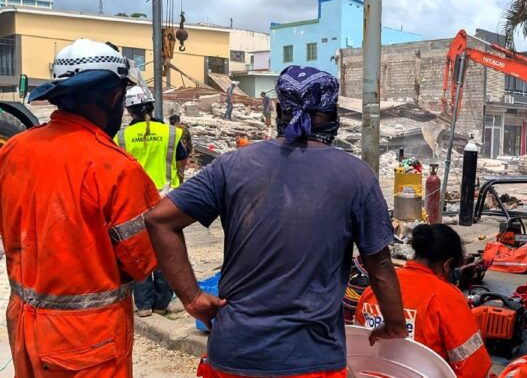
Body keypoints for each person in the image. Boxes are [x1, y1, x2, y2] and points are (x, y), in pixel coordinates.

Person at [145, 65, 406, 377]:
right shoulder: (356, 176)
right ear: (333, 113)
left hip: (234, 353)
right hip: (311, 358)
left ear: (280, 110)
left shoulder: (232, 164)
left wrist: (192, 297)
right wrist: (393, 324)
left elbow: (160, 220)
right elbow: (378, 264)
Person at [0, 39, 159, 376]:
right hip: (87, 343)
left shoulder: (13, 150)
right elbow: (142, 261)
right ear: (114, 97)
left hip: (25, 326)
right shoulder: (115, 167)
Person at [356, 224, 492, 377]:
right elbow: (475, 369)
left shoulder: (373, 290)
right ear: (447, 265)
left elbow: (358, 347)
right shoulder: (447, 297)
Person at [115, 86, 188, 317]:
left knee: (138, 251)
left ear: (129, 110)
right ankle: (162, 303)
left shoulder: (121, 136)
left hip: (133, 202)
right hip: (168, 200)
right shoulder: (171, 133)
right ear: (151, 106)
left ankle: (144, 305)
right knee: (167, 250)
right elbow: (182, 161)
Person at [169, 113, 193, 183]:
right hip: (183, 154)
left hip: (172, 153)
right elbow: (189, 144)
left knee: (171, 171)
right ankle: (179, 186)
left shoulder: (170, 129)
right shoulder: (185, 129)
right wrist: (187, 154)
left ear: (172, 121)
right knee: (180, 172)